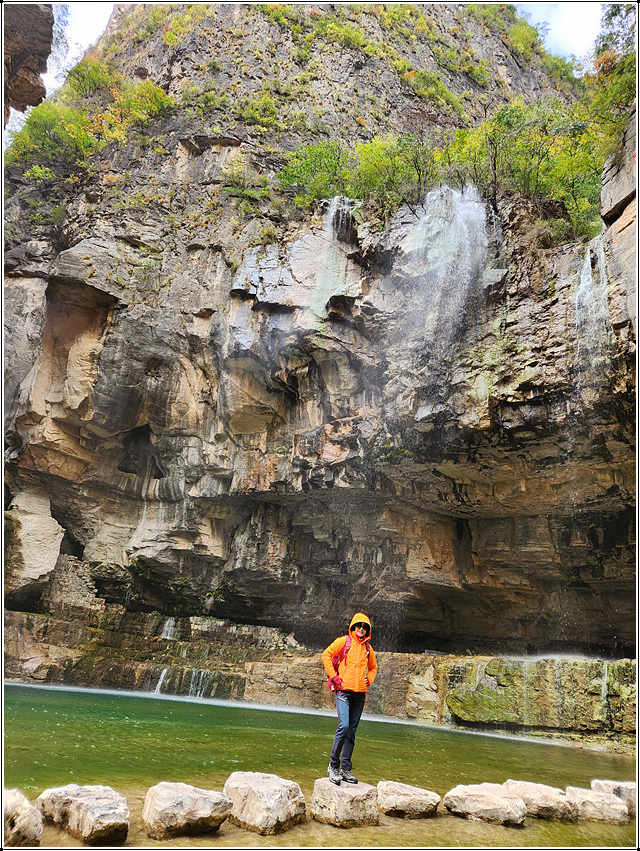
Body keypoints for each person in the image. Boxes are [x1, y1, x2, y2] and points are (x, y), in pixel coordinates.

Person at [322, 612, 377, 785]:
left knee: (351, 732)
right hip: (344, 692)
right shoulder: (344, 641)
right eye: (359, 625)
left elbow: (373, 667)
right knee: (344, 726)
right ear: (353, 626)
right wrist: (334, 676)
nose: (361, 629)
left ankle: (345, 769)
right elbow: (326, 655)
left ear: (367, 631)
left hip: (359, 695)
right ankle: (333, 766)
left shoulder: (368, 649)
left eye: (365, 627)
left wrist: (370, 679)